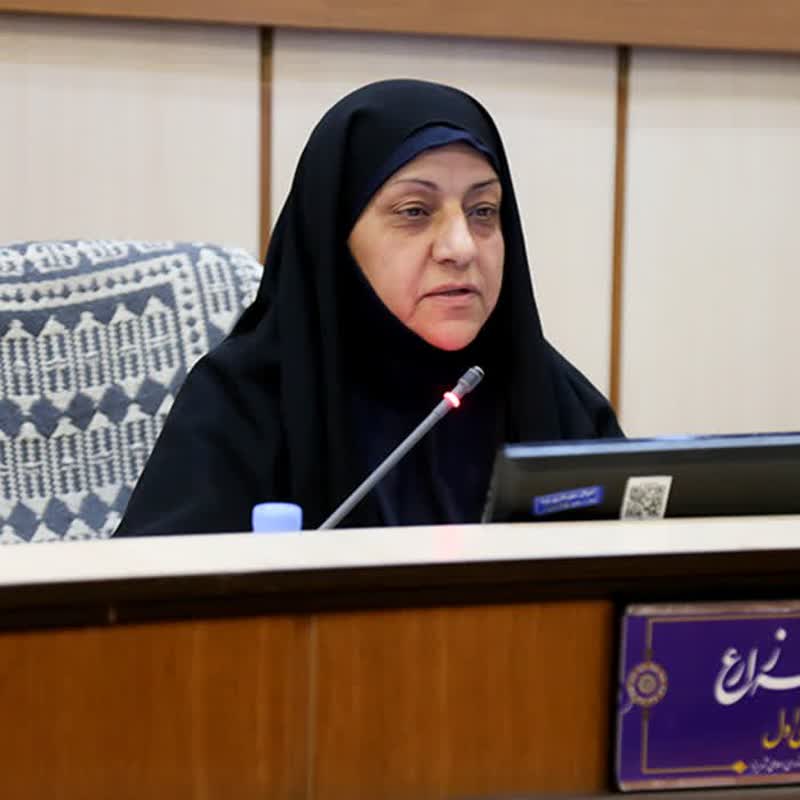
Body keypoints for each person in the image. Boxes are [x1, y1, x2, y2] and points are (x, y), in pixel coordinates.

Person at [115, 79, 622, 536]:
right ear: (336, 240)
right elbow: (152, 596)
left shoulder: (548, 394)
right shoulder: (246, 402)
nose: (461, 246)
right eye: (415, 211)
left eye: (483, 211)